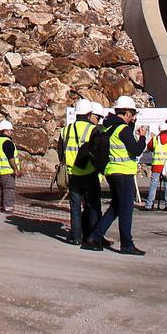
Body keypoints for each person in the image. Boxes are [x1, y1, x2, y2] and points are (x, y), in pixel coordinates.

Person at [88, 96, 148, 255]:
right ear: (127, 112)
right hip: (123, 173)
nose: (133, 117)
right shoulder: (123, 129)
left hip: (112, 171)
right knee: (126, 209)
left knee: (115, 207)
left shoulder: (110, 127)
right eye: (132, 114)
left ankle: (95, 235)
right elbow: (135, 150)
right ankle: (127, 244)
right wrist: (142, 137)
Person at [61, 99, 102, 247]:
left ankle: (76, 237)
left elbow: (61, 153)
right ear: (89, 113)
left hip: (73, 174)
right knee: (92, 206)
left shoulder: (65, 130)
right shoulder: (93, 129)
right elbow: (98, 153)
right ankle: (92, 235)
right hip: (89, 173)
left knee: (75, 207)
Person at [143, 119, 167, 211]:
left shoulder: (155, 139)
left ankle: (149, 204)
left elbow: (150, 147)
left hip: (157, 165)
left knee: (153, 185)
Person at [0, 119, 21, 213]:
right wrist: (15, 169)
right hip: (8, 172)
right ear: (5, 130)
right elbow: (10, 158)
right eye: (10, 130)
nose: (12, 132)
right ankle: (8, 209)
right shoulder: (8, 142)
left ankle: (0, 208)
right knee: (9, 190)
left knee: (0, 190)